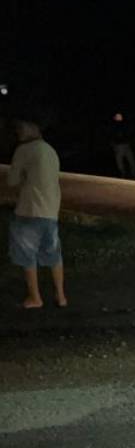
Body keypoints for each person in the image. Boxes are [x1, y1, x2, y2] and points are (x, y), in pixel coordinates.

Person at [7, 118, 66, 308]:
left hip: (29, 210)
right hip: (51, 210)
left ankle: (35, 297)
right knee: (54, 254)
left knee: (27, 254)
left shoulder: (23, 150)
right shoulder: (50, 150)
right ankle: (61, 296)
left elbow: (12, 181)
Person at [111, 112, 135, 178]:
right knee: (120, 159)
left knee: (130, 159)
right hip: (120, 145)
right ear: (115, 118)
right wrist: (114, 144)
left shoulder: (124, 124)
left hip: (125, 144)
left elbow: (129, 132)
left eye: (120, 116)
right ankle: (122, 172)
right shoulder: (115, 125)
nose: (119, 117)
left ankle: (133, 173)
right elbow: (113, 135)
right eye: (117, 116)